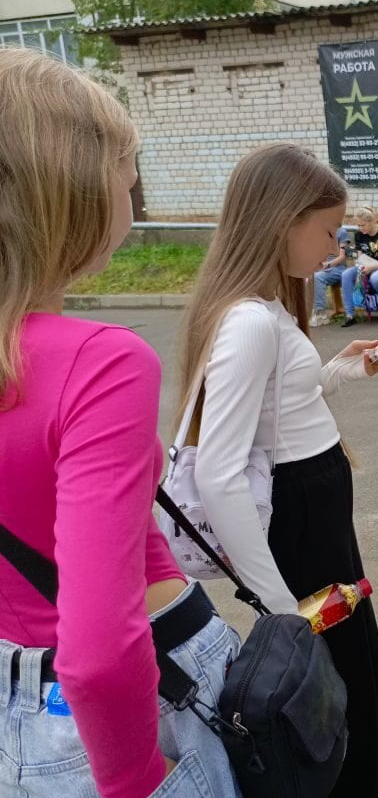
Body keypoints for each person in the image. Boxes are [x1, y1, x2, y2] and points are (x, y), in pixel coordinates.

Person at [0, 48, 240, 798]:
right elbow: (99, 649)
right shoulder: (102, 361)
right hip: (122, 716)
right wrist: (140, 778)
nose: (132, 191)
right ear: (68, 192)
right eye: (124, 172)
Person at [177, 143, 378, 796]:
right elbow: (219, 474)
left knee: (345, 694)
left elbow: (278, 406)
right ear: (282, 219)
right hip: (304, 536)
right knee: (333, 705)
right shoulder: (249, 321)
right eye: (328, 231)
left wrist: (337, 372)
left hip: (318, 524)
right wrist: (279, 610)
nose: (335, 249)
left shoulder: (263, 309)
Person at [340, 206, 378, 326]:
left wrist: (370, 268)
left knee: (376, 278)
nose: (360, 228)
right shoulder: (358, 235)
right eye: (358, 225)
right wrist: (361, 265)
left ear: (372, 222)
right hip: (368, 265)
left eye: (363, 225)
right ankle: (350, 314)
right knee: (346, 274)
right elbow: (360, 256)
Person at [311, 225, 351, 326]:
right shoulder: (320, 231)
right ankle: (307, 311)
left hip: (338, 268)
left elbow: (342, 257)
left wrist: (327, 264)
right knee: (305, 276)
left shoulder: (341, 232)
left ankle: (321, 313)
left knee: (318, 277)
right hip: (323, 267)